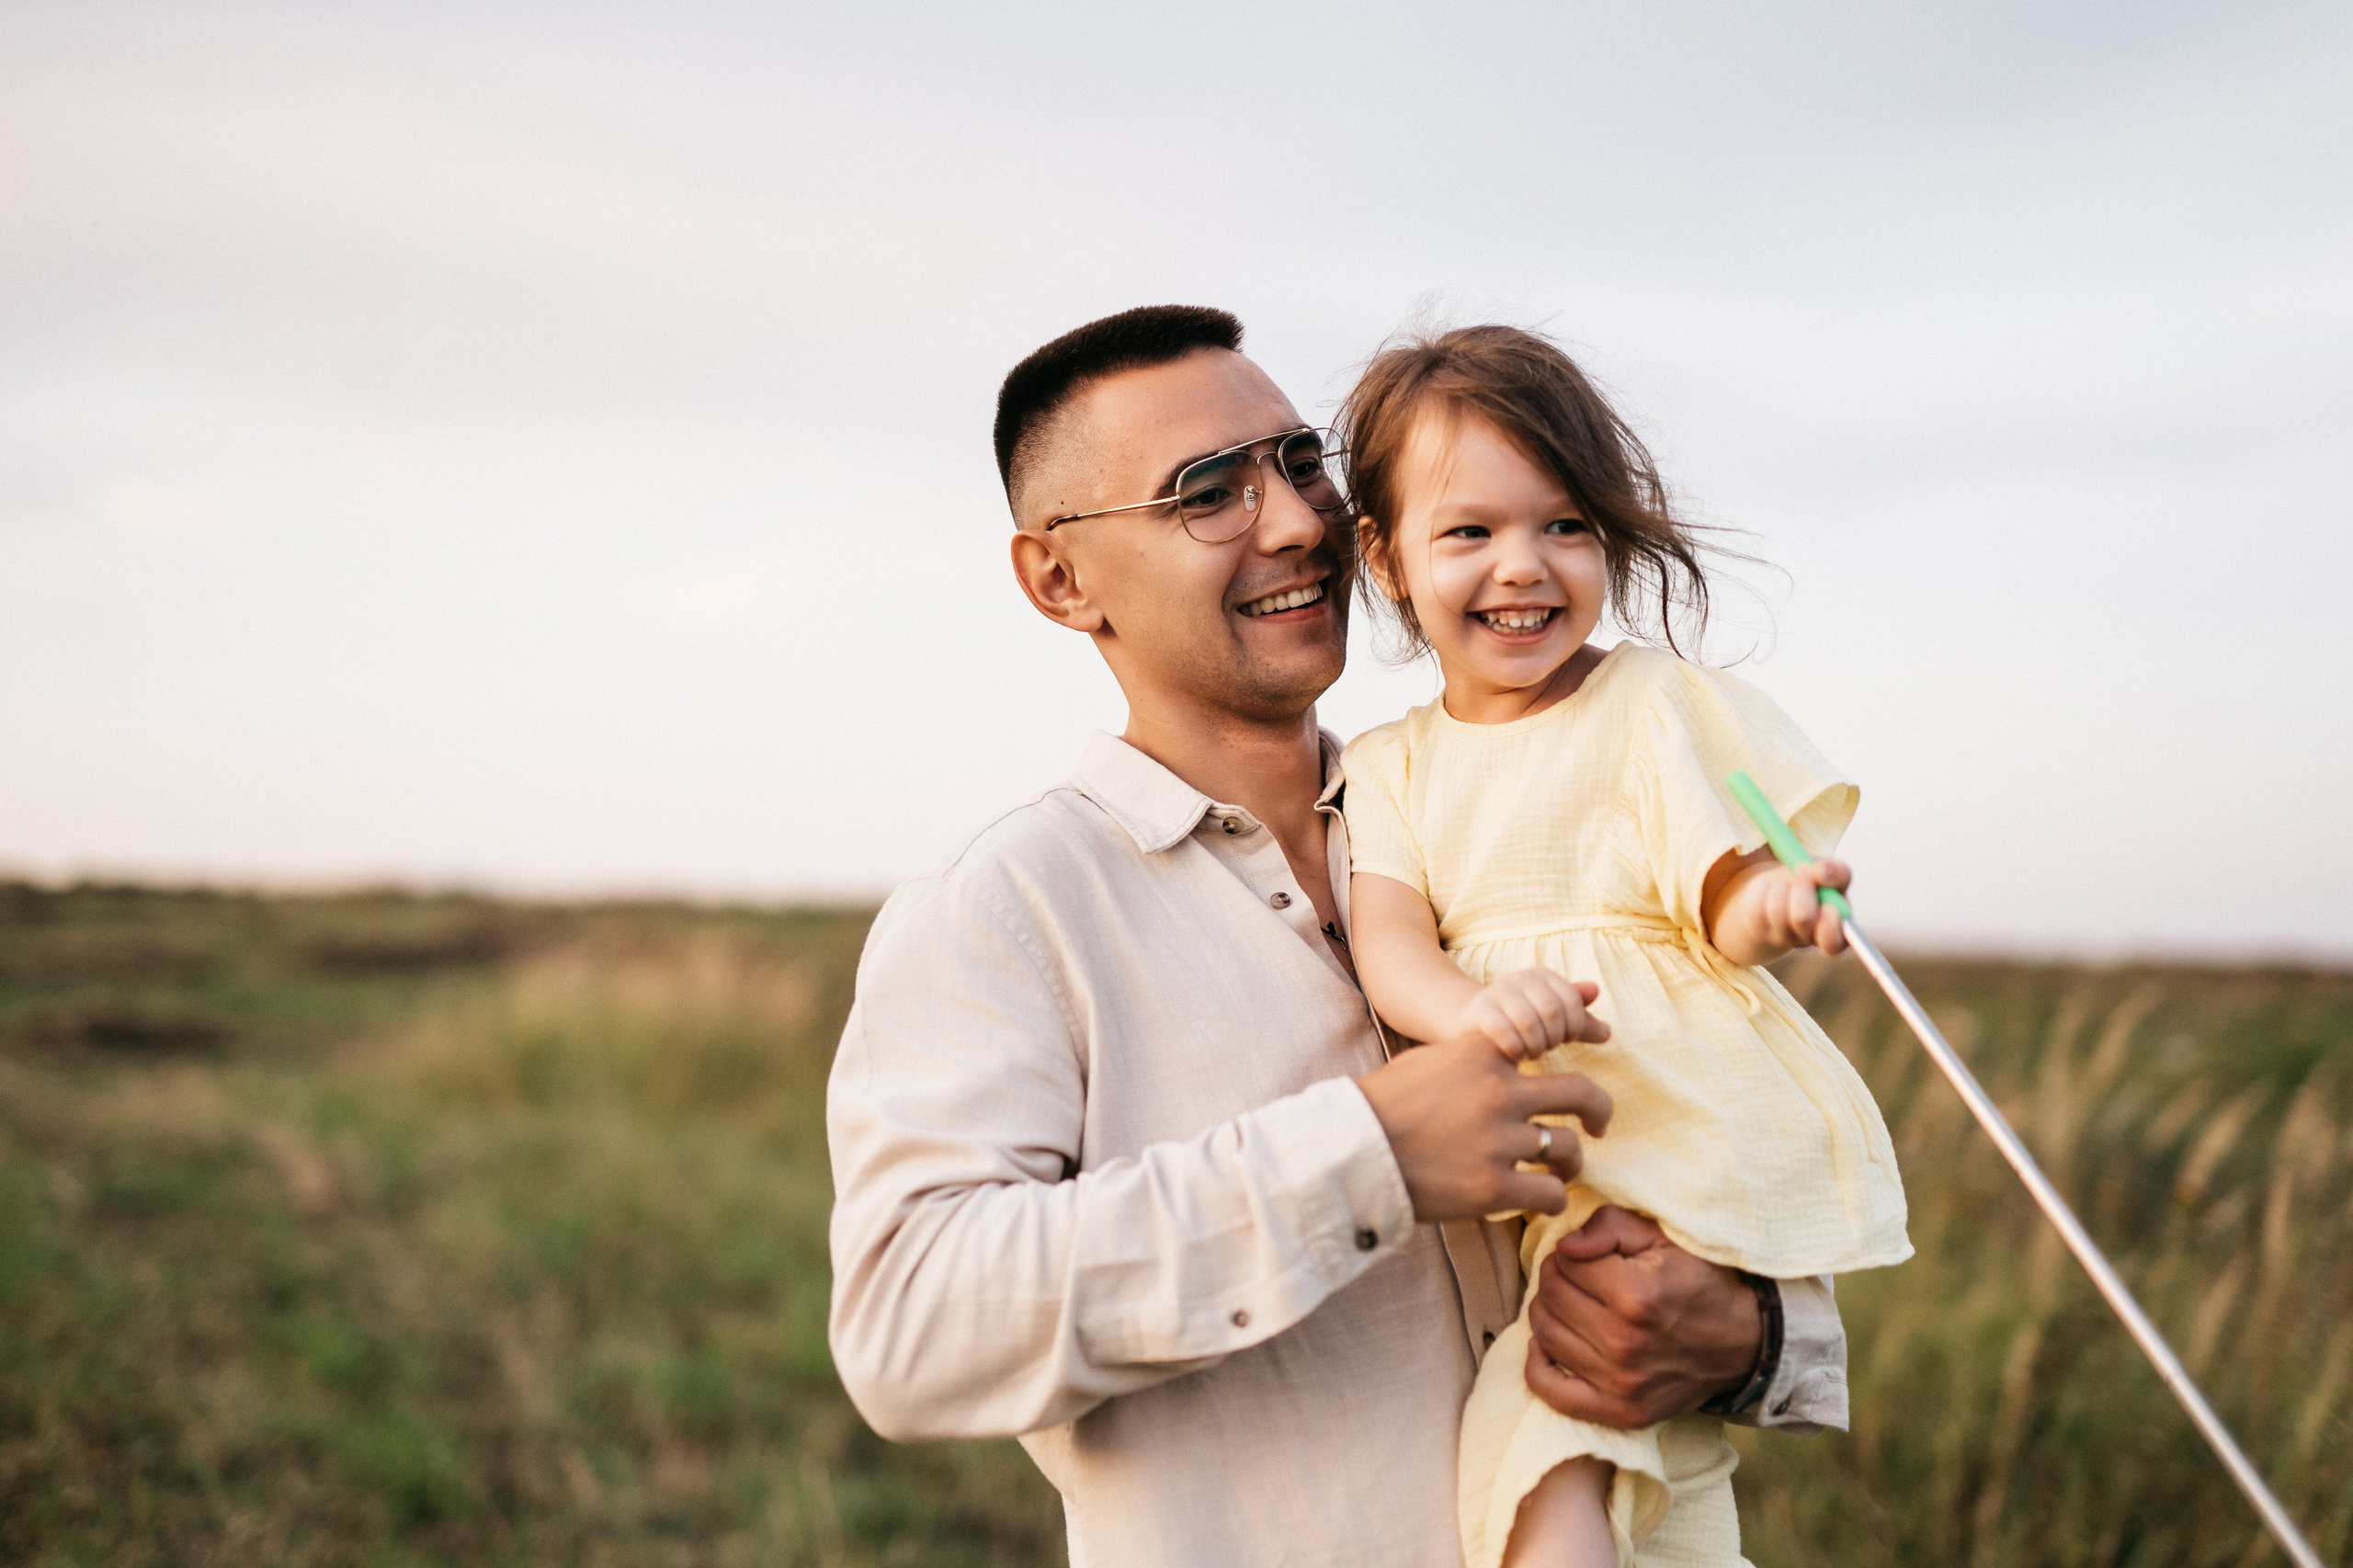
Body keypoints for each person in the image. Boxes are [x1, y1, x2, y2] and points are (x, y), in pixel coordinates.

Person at [825, 305, 1853, 1568]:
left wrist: (1753, 1337)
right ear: (1061, 579)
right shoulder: (1009, 910)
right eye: (1210, 491)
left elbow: (1691, 1150)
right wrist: (1364, 1158)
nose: (1299, 520)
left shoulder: (1490, 814)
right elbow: (908, 1325)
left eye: (1299, 462)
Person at [1336, 324, 1912, 1568]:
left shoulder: (1647, 704)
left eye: (1565, 526)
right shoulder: (1391, 767)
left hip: (1666, 1144)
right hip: (1553, 1176)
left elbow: (1722, 897)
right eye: (1470, 532)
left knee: (1547, 1444)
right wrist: (1473, 1014)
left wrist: (1781, 904)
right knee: (1649, 1475)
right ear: (1383, 556)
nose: (1523, 567)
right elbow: (1391, 944)